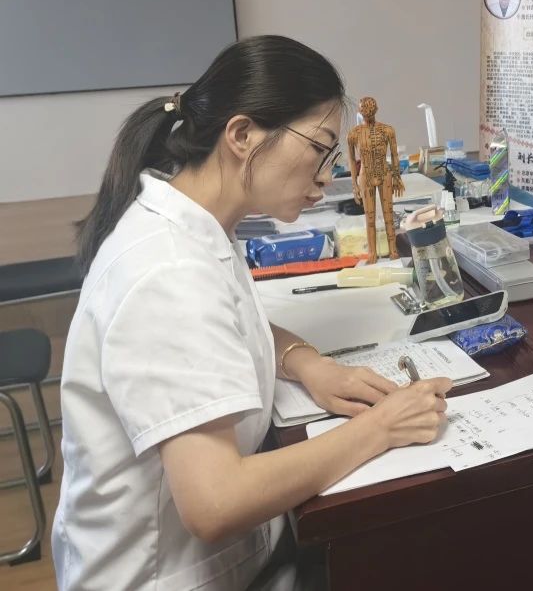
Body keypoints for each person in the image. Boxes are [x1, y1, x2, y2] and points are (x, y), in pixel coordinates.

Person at [53, 35, 451, 590]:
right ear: (242, 135)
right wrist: (383, 426)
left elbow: (230, 323)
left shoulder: (197, 222)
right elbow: (216, 502)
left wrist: (308, 363)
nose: (326, 176)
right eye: (319, 149)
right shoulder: (167, 271)